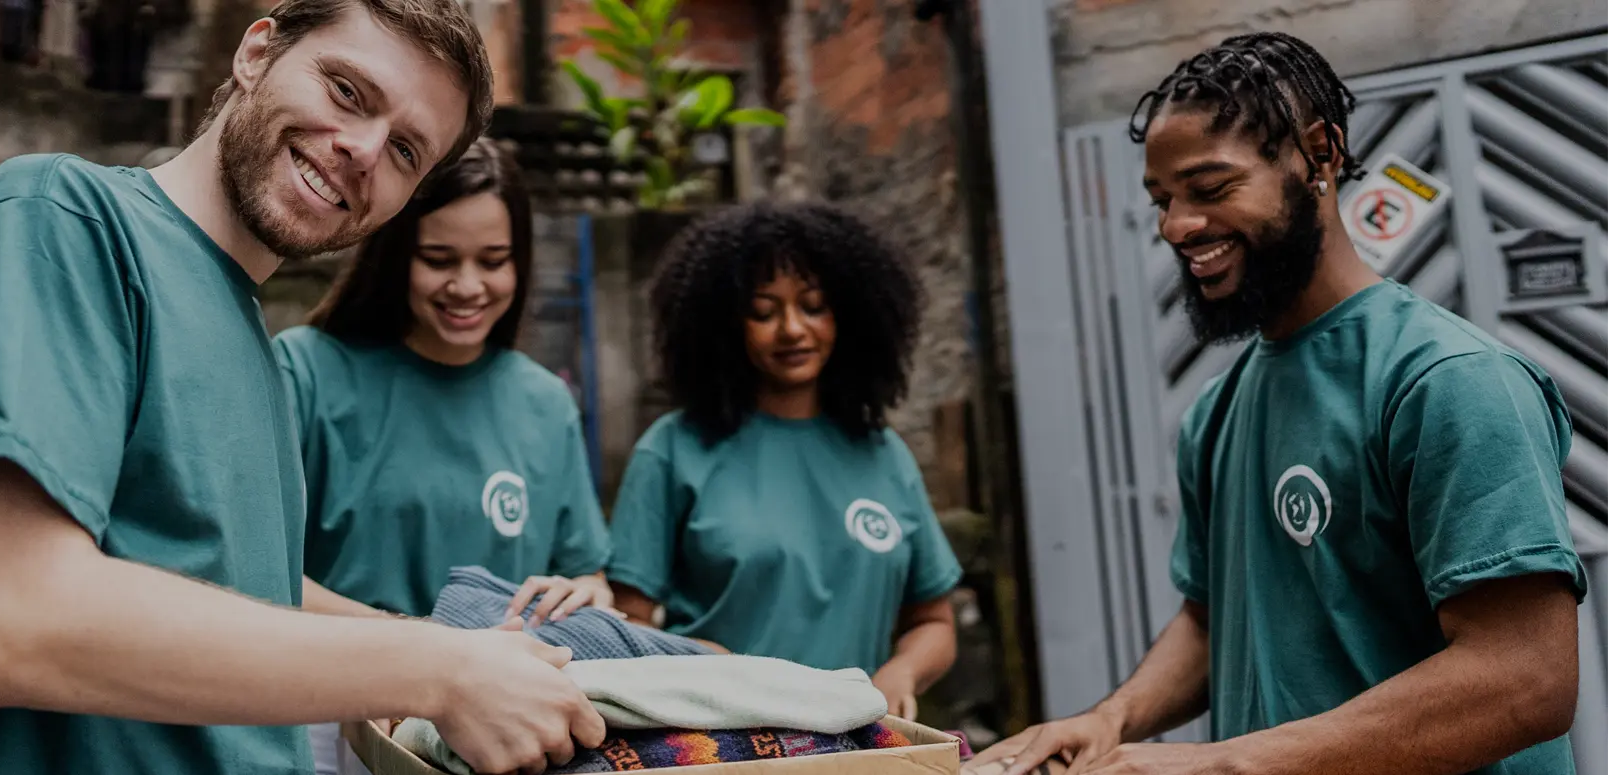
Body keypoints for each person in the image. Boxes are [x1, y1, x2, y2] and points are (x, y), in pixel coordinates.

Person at [0, 1, 608, 773]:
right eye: (347, 91)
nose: (364, 149)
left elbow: (238, 596)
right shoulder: (61, 221)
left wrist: (474, 650)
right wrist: (436, 668)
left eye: (406, 151)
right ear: (256, 51)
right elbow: (10, 618)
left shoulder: (255, 351)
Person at [969, 31, 1588, 775]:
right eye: (1163, 199)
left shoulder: (1450, 381)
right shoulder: (1216, 411)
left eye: (1210, 187)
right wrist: (1110, 718)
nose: (1176, 225)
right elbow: (1211, 618)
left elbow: (1525, 680)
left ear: (1319, 154)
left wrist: (1223, 764)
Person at [272, 136, 615, 774]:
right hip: (336, 717)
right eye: (438, 258)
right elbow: (257, 571)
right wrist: (426, 647)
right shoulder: (308, 373)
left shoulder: (545, 402)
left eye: (493, 260)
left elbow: (587, 571)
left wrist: (583, 593)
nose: (467, 286)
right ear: (395, 254)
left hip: (504, 727)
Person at [603, 200, 964, 722]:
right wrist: (706, 666)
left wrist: (901, 673)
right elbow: (623, 627)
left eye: (813, 306)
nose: (792, 329)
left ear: (850, 314)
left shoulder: (883, 453)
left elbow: (934, 621)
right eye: (763, 312)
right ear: (726, 324)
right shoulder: (674, 449)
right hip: (724, 748)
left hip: (856, 747)